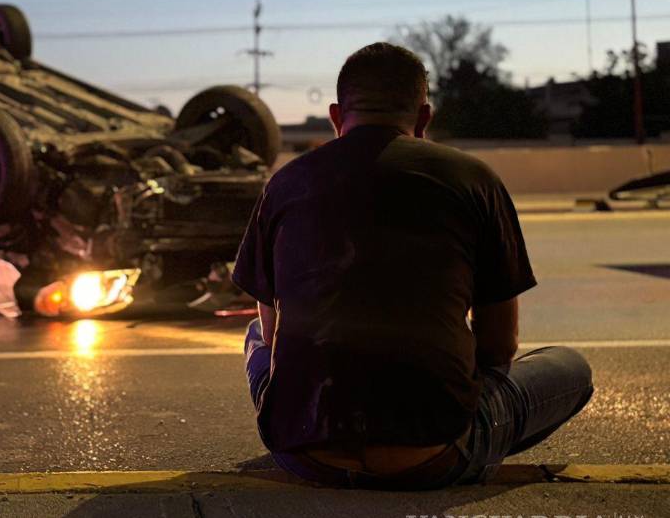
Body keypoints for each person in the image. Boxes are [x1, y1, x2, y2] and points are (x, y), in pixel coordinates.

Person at [232, 42, 593, 490]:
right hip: (433, 457)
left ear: (335, 116)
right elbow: (500, 346)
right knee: (571, 368)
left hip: (305, 456)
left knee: (253, 335)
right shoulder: (474, 179)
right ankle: (441, 438)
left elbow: (274, 337)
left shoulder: (285, 183)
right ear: (424, 118)